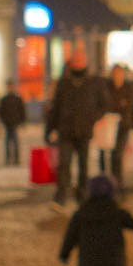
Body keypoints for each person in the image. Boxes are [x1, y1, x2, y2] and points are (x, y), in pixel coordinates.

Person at [44, 51, 106, 211]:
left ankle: (82, 196)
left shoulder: (93, 83)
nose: (78, 63)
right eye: (75, 60)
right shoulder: (64, 83)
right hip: (66, 131)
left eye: (81, 60)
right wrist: (49, 129)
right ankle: (60, 197)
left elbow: (104, 104)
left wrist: (93, 118)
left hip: (85, 131)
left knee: (83, 166)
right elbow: (55, 108)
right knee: (64, 164)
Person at [100, 64, 133, 188]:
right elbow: (106, 104)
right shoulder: (106, 87)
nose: (116, 76)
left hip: (122, 126)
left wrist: (120, 106)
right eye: (114, 73)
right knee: (104, 156)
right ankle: (104, 183)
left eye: (119, 73)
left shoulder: (128, 88)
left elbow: (129, 105)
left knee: (117, 155)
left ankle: (118, 184)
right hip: (107, 126)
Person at [0, 87, 27, 167]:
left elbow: (21, 110)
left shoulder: (15, 99)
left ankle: (14, 158)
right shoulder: (5, 99)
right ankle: (9, 158)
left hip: (13, 122)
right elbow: (1, 111)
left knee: (13, 141)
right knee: (10, 141)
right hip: (8, 123)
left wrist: (22, 120)